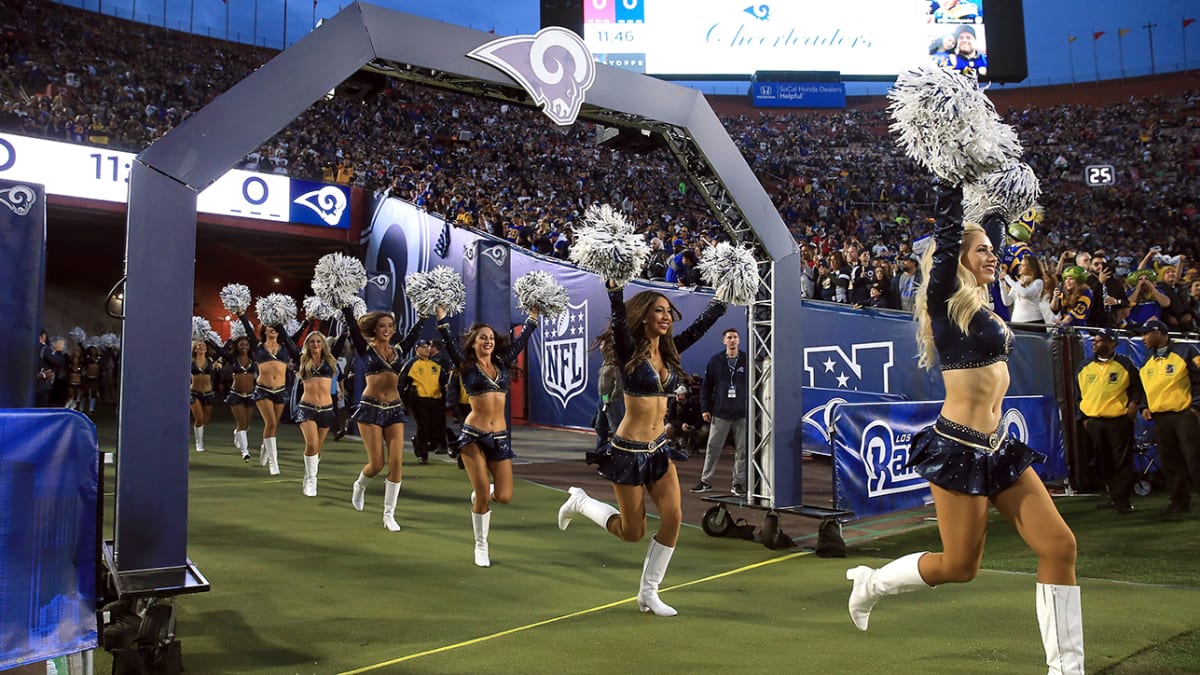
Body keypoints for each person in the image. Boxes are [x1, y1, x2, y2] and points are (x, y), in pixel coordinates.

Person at [846, 183, 1082, 674]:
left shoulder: (982, 294)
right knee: (959, 567)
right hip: (957, 449)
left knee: (1060, 546)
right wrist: (950, 176)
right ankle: (871, 584)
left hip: (998, 449)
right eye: (984, 252)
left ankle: (1067, 670)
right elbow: (951, 235)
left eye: (994, 250)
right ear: (957, 259)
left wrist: (998, 187)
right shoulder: (945, 299)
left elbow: (988, 226)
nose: (994, 257)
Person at [558, 281, 726, 617]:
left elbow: (699, 327)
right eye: (658, 311)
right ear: (644, 317)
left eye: (667, 311)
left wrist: (722, 299)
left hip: (659, 449)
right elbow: (619, 322)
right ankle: (581, 502)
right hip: (628, 451)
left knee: (674, 517)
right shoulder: (628, 352)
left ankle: (649, 592)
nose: (665, 316)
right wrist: (614, 291)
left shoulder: (669, 350)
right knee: (632, 532)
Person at [436, 305, 540, 567]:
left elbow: (521, 341)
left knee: (504, 496)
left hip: (500, 438)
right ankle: (481, 545)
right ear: (473, 343)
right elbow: (448, 343)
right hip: (473, 436)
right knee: (483, 495)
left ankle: (481, 493)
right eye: (482, 337)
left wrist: (532, 318)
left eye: (491, 338)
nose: (488, 341)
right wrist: (441, 317)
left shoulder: (502, 364)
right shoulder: (466, 366)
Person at [343, 308, 424, 531]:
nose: (387, 329)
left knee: (397, 463)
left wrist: (425, 315)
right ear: (375, 329)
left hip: (394, 410)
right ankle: (360, 485)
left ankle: (389, 514)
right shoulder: (365, 348)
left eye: (390, 326)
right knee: (377, 464)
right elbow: (352, 326)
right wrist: (345, 303)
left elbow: (414, 335)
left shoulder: (398, 350)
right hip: (370, 409)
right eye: (382, 326)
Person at [1133, 318, 1200, 516]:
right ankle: (1179, 501)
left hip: (1184, 414)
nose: (1143, 338)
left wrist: (1196, 407)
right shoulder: (1147, 360)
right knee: (1169, 461)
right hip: (1161, 418)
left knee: (1194, 459)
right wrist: (1145, 406)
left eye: (1146, 334)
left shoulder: (1186, 352)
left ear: (1158, 333)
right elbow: (1146, 387)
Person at [1076, 328, 1143, 514]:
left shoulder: (1124, 364)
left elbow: (1137, 388)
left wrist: (1134, 403)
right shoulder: (1084, 366)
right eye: (1094, 341)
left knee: (1121, 461)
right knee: (1103, 462)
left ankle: (1122, 500)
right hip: (1094, 421)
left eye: (1099, 341)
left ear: (1112, 343)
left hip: (1118, 420)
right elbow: (1078, 395)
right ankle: (1112, 495)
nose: (1094, 344)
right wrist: (1083, 418)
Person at [237, 313, 301, 475]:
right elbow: (248, 330)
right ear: (264, 330)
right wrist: (242, 315)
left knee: (272, 425)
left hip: (280, 391)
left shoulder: (286, 347)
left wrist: (307, 320)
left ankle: (265, 447)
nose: (272, 329)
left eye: (276, 327)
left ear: (280, 331)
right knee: (271, 422)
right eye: (269, 327)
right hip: (263, 390)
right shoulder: (258, 346)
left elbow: (296, 341)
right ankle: (274, 463)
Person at [692, 328, 749, 496]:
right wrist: (705, 409)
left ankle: (738, 484)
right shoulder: (715, 361)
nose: (732, 340)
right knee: (713, 448)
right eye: (729, 337)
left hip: (741, 413)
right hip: (720, 412)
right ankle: (705, 481)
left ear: (739, 340)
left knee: (742, 451)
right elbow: (706, 387)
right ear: (724, 341)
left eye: (735, 337)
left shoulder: (746, 360)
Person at [399, 338, 450, 465]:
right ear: (417, 349)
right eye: (423, 347)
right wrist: (400, 400)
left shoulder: (435, 365)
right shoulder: (411, 364)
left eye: (428, 346)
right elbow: (401, 382)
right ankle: (423, 455)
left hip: (435, 399)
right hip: (418, 399)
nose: (427, 349)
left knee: (435, 426)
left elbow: (444, 380)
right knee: (423, 426)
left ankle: (420, 443)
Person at [221, 336, 257, 461]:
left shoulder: (254, 358)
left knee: (246, 425)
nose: (244, 347)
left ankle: (237, 433)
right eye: (241, 345)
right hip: (236, 395)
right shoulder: (232, 359)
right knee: (242, 423)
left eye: (246, 345)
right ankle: (245, 451)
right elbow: (221, 351)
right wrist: (229, 340)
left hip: (250, 395)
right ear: (237, 346)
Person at [1002, 256, 1047, 326]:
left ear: (1031, 267)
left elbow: (1025, 293)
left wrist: (1007, 278)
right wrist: (1002, 283)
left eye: (1023, 265)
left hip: (1033, 323)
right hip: (1016, 322)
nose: (1020, 267)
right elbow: (1007, 302)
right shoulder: (1018, 284)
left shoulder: (1038, 282)